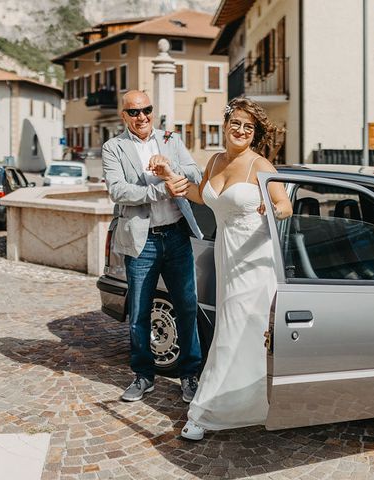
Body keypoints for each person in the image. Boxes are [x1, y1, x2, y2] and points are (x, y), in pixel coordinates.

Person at [150, 97, 293, 441]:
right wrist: (169, 173)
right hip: (226, 257)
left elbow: (285, 205)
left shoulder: (262, 167)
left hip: (255, 260)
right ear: (226, 125)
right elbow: (201, 196)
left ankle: (206, 411)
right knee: (237, 330)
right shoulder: (214, 161)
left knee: (234, 330)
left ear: (254, 133)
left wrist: (271, 211)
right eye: (236, 123)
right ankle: (253, 400)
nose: (241, 130)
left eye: (248, 126)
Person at [102, 90, 203, 403]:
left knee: (187, 307)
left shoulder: (170, 139)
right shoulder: (113, 147)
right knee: (139, 312)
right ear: (124, 115)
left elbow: (196, 173)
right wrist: (160, 191)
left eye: (146, 109)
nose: (141, 117)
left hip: (176, 236)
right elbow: (118, 191)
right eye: (134, 112)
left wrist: (169, 166)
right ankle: (143, 376)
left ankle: (190, 375)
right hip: (140, 241)